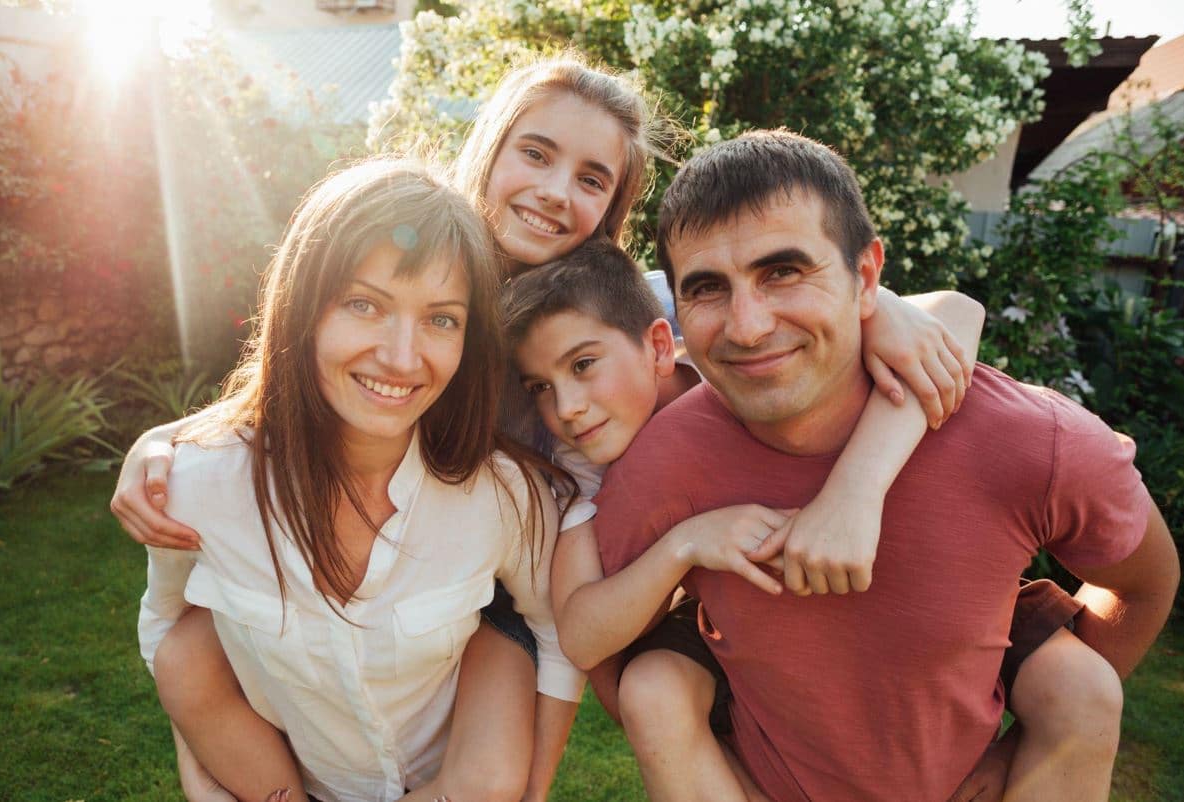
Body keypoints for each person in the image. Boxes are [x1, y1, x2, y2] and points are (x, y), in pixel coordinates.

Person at [117, 57, 977, 800]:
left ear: (610, 210)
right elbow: (304, 371)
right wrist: (164, 447)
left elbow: (955, 312)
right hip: (438, 578)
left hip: (529, 585)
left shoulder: (601, 304)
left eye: (592, 178)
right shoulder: (407, 266)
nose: (556, 191)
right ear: (488, 150)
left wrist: (890, 315)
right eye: (536, 153)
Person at [587, 129, 1179, 801]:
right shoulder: (663, 461)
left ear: (866, 276)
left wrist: (1028, 752)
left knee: (1081, 683)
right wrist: (713, 772)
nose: (746, 325)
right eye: (706, 288)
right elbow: (592, 636)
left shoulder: (1025, 438)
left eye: (782, 271)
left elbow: (1144, 581)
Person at [504, 239, 1136, 801]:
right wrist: (687, 544)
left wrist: (854, 487)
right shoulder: (580, 466)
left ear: (662, 346)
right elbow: (584, 636)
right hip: (743, 608)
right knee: (658, 685)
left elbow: (956, 311)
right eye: (540, 387)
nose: (567, 407)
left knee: (1079, 683)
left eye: (583, 366)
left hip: (925, 569)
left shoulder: (734, 354)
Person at [138, 158, 580, 802]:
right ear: (303, 310)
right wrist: (204, 776)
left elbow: (554, 633)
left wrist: (532, 791)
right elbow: (169, 633)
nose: (402, 358)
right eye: (364, 304)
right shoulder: (197, 486)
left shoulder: (501, 497)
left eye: (441, 319)